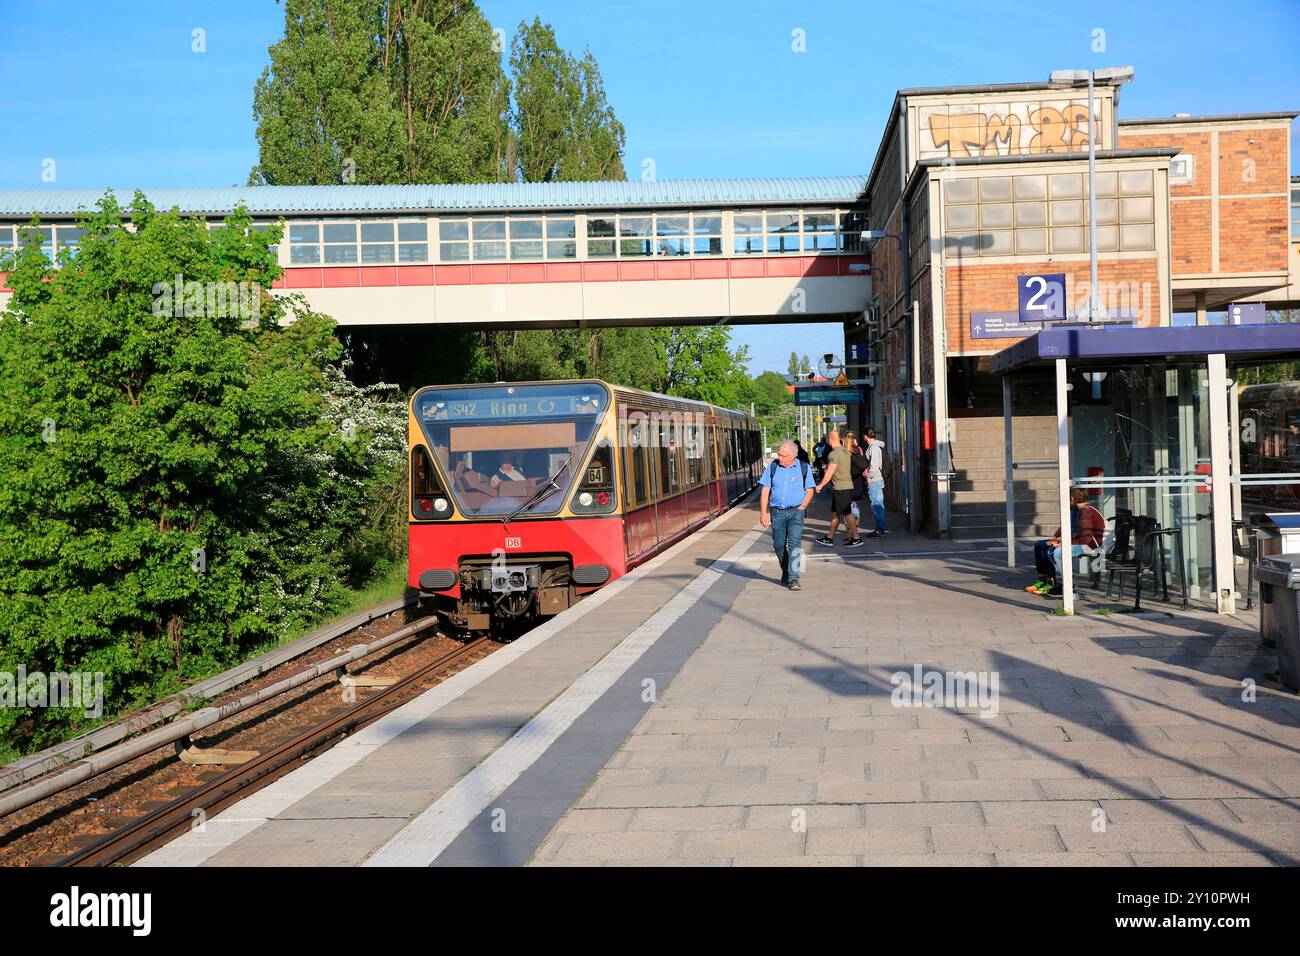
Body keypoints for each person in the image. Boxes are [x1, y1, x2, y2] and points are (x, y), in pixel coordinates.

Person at [759, 440, 816, 590]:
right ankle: (786, 570)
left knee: (795, 545)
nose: (780, 458)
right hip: (777, 512)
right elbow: (765, 490)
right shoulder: (773, 466)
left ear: (793, 456)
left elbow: (810, 490)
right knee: (778, 545)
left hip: (796, 512)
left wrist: (802, 507)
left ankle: (794, 579)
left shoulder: (803, 467)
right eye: (779, 454)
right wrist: (763, 513)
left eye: (783, 455)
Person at [1027, 488, 1104, 597]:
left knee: (1057, 552)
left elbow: (1085, 539)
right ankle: (1060, 581)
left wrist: (1064, 543)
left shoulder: (1086, 512)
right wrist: (1060, 539)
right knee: (1051, 549)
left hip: (1090, 546)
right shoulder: (1084, 509)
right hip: (1087, 543)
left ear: (1072, 499)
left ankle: (1066, 584)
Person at [813, 430, 862, 547]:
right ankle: (829, 538)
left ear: (830, 439)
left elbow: (830, 473)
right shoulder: (846, 452)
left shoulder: (834, 454)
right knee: (835, 513)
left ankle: (856, 538)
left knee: (847, 513)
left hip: (841, 488)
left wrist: (820, 485)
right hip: (845, 486)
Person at [861, 427, 887, 538]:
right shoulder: (875, 446)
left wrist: (869, 477)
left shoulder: (874, 448)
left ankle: (880, 531)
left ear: (866, 436)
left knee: (877, 506)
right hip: (876, 479)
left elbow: (874, 466)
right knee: (878, 505)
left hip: (875, 480)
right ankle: (879, 529)